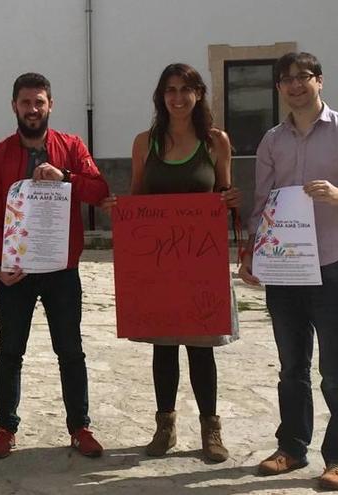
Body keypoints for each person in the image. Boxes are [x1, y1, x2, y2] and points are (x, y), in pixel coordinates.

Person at [239, 52, 338, 491]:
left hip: (331, 267)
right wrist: (254, 252)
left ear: (319, 81)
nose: (295, 86)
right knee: (291, 366)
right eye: (286, 80)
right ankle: (291, 447)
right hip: (286, 271)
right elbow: (263, 203)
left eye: (302, 78)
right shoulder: (272, 140)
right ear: (279, 88)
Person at [100, 63, 241, 463]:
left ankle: (211, 430)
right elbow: (137, 196)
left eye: (185, 89)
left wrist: (232, 199)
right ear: (161, 97)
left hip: (199, 264)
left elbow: (224, 191)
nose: (177, 98)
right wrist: (119, 210)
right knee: (163, 349)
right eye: (169, 90)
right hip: (158, 265)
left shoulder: (216, 142)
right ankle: (165, 427)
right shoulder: (146, 142)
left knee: (201, 349)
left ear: (198, 94)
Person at [0, 72, 109, 459]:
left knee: (71, 350)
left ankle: (80, 427)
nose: (32, 109)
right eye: (25, 102)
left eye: (39, 102)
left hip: (61, 270)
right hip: (14, 271)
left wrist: (65, 177)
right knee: (9, 351)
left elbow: (100, 191)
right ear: (14, 106)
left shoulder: (71, 146)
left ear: (50, 105)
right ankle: (5, 428)